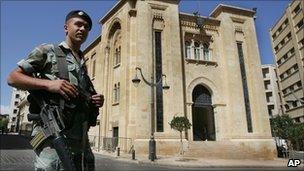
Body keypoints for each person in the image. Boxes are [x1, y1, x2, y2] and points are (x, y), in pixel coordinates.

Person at [7, 10, 104, 170]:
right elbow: (13, 78)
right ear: (66, 27)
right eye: (78, 24)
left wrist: (94, 99)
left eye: (86, 27)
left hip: (81, 142)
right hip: (54, 139)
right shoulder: (48, 51)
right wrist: (49, 84)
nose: (82, 29)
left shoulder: (82, 64)